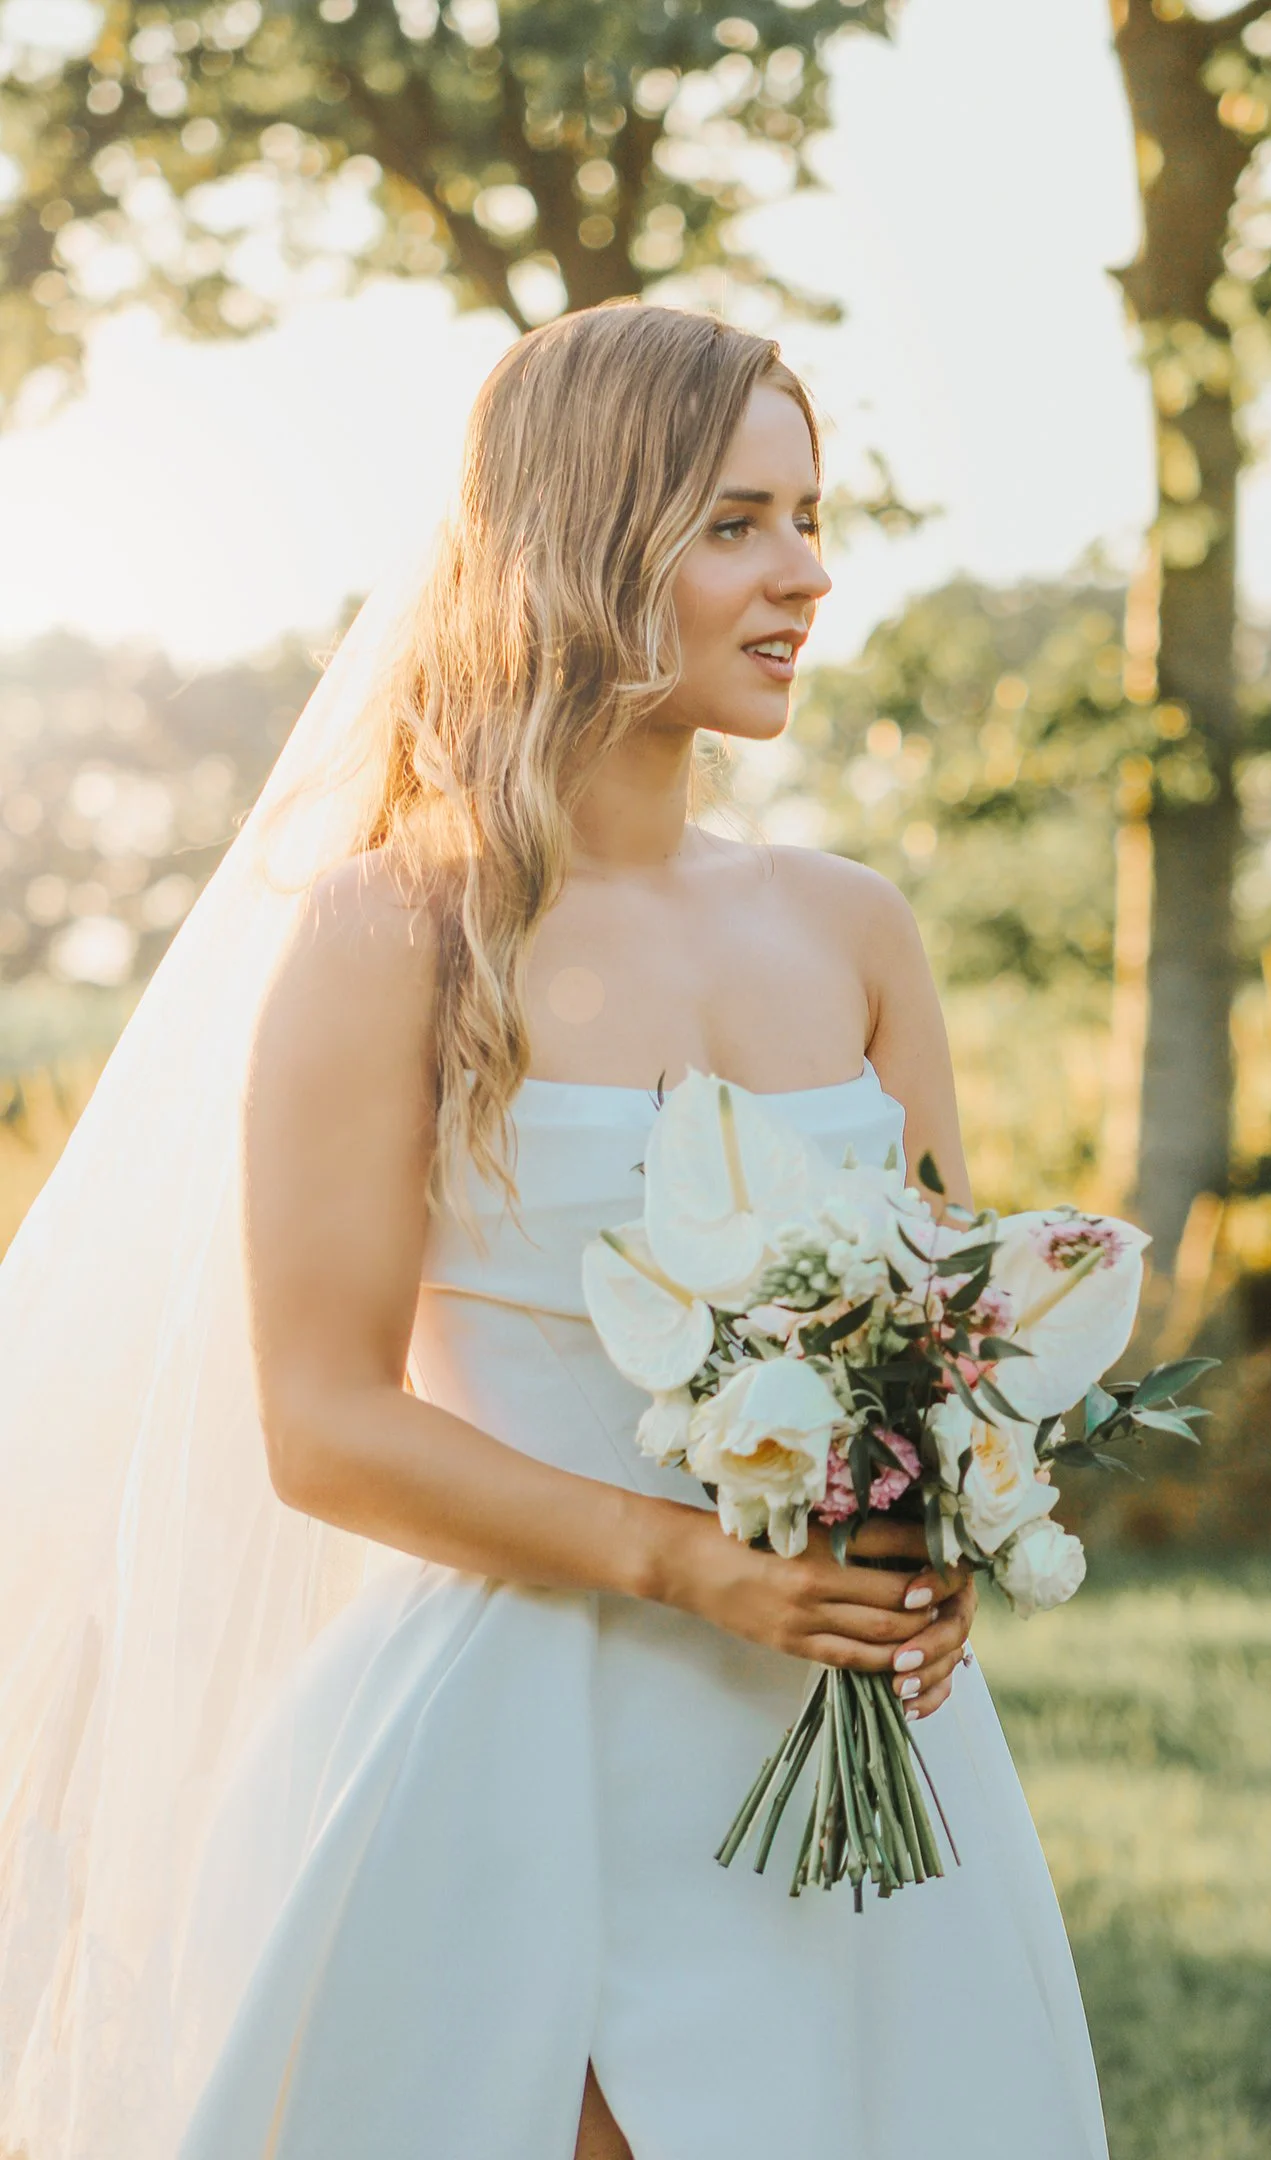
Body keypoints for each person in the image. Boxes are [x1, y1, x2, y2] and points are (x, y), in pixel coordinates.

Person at [0, 302, 1107, 2160]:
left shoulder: (854, 928)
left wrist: (934, 1540)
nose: (809, 574)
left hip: (847, 1736)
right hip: (521, 1742)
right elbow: (323, 1421)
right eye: (737, 523)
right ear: (592, 545)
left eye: (810, 516)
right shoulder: (390, 936)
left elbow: (944, 1343)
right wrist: (695, 1568)